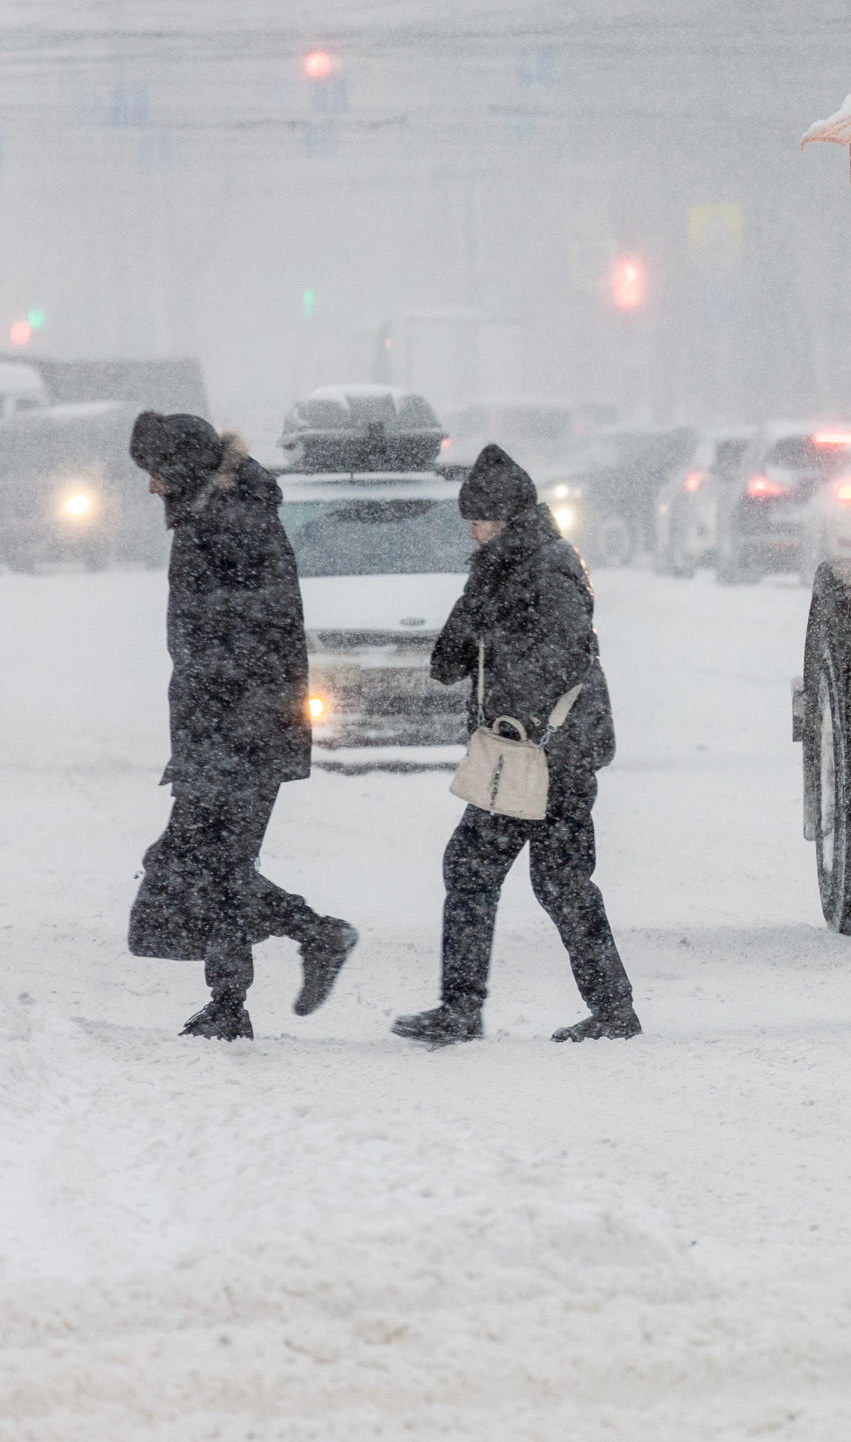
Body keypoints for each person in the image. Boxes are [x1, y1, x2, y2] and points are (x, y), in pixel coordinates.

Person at [392, 446, 636, 1044]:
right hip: (541, 751)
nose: (470, 531)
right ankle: (611, 1009)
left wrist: (515, 720)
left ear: (502, 516)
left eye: (477, 519)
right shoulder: (503, 565)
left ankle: (462, 1009)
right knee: (558, 881)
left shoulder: (543, 567)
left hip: (544, 753)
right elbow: (451, 658)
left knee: (482, 870)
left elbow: (562, 656)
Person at [124, 411, 355, 1040]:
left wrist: (224, 728)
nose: (150, 488)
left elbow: (258, 635)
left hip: (241, 732)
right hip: (228, 729)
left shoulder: (230, 522)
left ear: (179, 469)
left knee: (214, 866)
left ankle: (312, 939)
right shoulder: (219, 516)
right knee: (216, 866)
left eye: (153, 473)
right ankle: (234, 997)